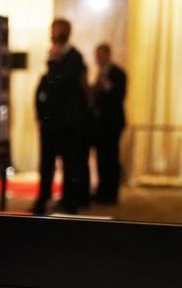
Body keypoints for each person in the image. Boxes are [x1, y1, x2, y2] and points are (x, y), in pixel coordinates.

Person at [31, 19, 88, 215]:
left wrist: (53, 64)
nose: (54, 33)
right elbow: (45, 88)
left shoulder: (74, 57)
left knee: (70, 163)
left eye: (57, 30)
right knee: (46, 163)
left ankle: (70, 200)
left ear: (66, 32)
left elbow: (65, 84)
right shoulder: (52, 58)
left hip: (68, 123)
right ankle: (42, 199)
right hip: (50, 124)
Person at [89, 43, 127, 204]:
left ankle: (111, 194)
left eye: (100, 55)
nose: (97, 59)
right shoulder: (99, 74)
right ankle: (102, 191)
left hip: (112, 124)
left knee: (111, 158)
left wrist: (107, 86)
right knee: (101, 159)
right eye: (96, 55)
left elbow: (120, 96)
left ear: (108, 55)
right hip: (100, 125)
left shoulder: (118, 73)